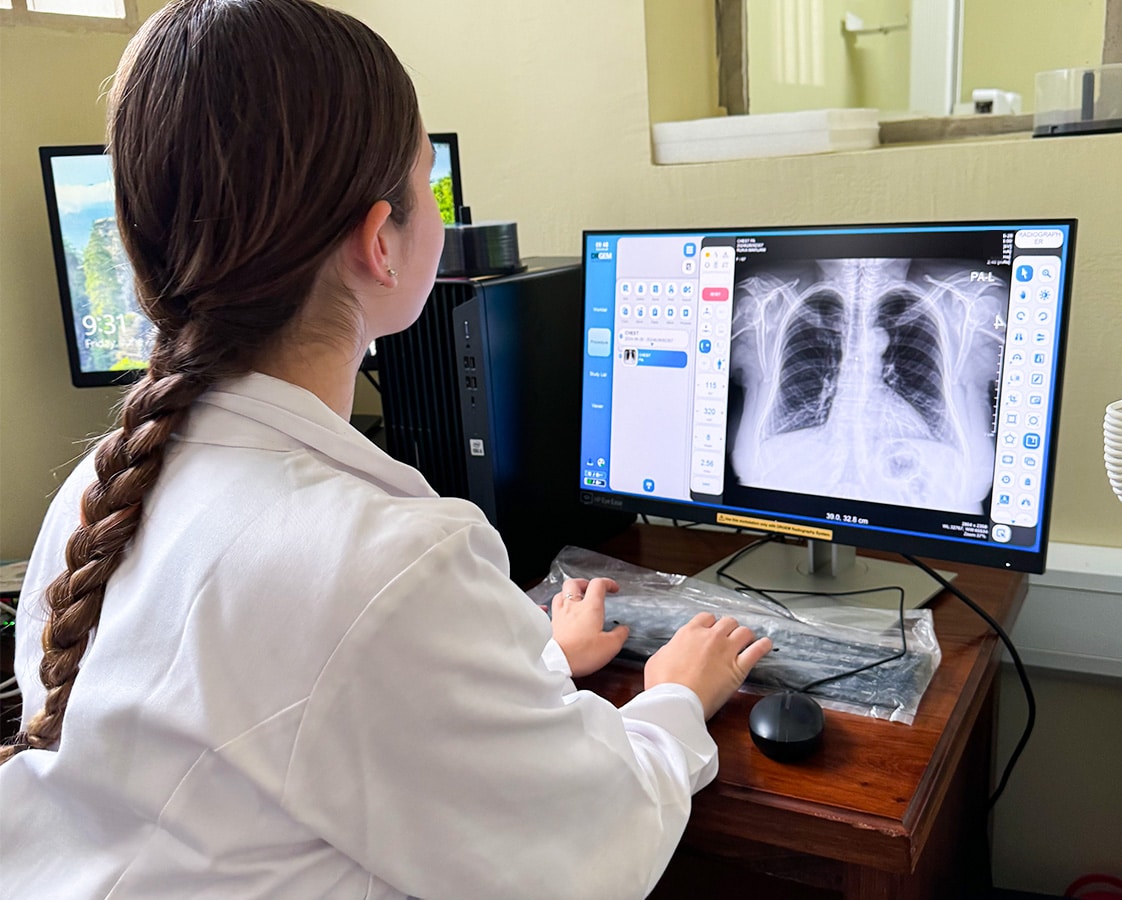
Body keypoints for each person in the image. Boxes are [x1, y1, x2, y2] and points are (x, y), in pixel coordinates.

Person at [0, 1, 772, 897]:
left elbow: (275, 714)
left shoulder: (99, 491)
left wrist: (532, 660)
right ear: (380, 241)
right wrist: (676, 694)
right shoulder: (386, 565)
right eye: (427, 192)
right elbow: (594, 849)